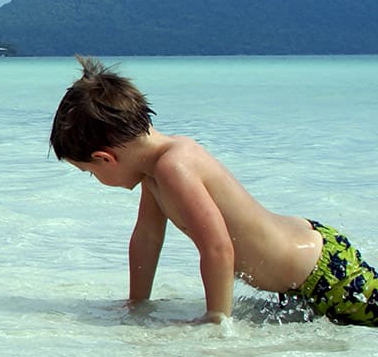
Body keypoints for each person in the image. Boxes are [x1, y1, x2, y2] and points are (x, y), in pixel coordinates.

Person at [50, 55, 378, 326]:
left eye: (90, 173)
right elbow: (147, 237)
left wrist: (216, 319)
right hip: (305, 265)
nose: (95, 179)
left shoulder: (173, 167)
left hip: (325, 276)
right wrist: (137, 304)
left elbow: (218, 247)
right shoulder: (153, 171)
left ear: (105, 158)